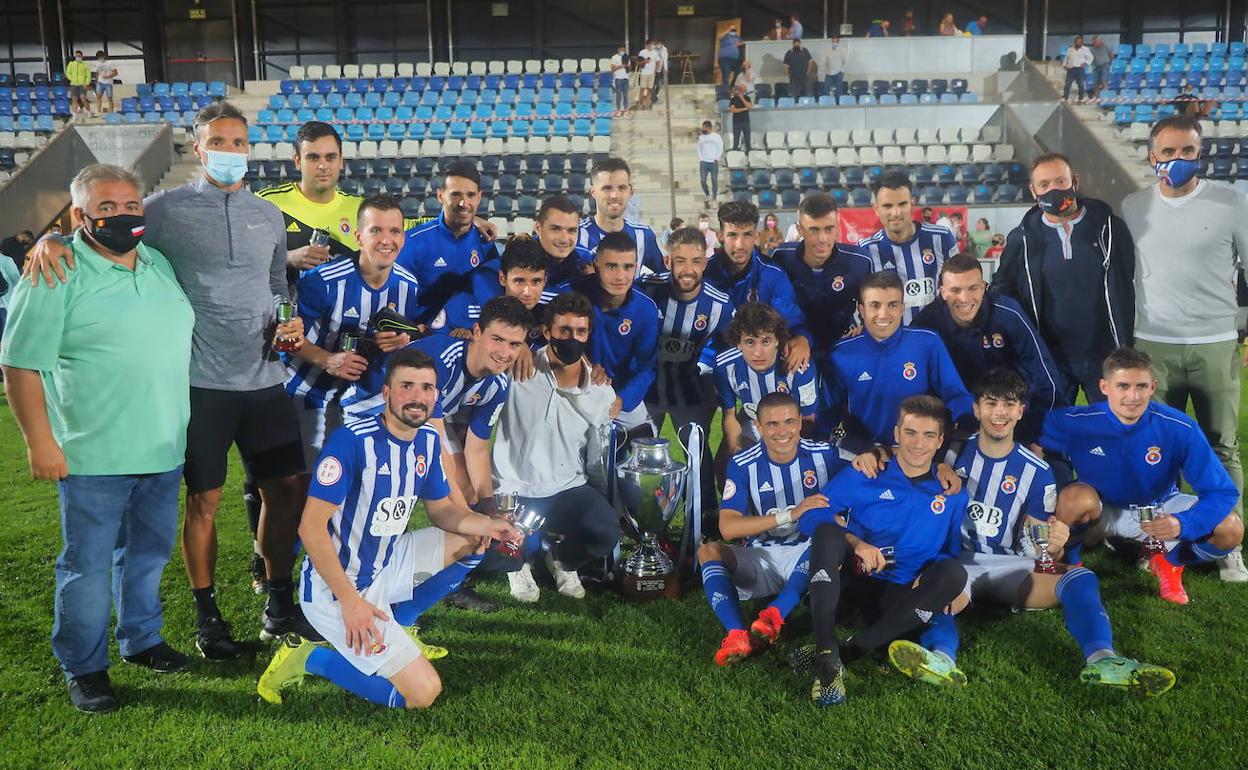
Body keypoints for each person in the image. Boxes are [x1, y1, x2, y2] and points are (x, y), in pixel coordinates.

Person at [23, 101, 312, 659]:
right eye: (219, 142)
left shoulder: (269, 215)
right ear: (198, 149)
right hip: (200, 385)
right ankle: (208, 621)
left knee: (284, 491)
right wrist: (50, 239)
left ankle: (278, 606)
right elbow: (104, 233)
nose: (231, 152)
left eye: (239, 141)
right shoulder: (160, 209)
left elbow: (279, 284)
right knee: (203, 502)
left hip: (264, 379)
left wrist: (287, 318)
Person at [1, 164, 195, 713]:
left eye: (131, 205)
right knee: (85, 567)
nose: (123, 215)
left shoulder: (156, 262)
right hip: (92, 454)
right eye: (106, 208)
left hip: (162, 448)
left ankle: (142, 639)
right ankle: (84, 667)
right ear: (81, 216)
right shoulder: (56, 270)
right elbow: (19, 364)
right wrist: (41, 443)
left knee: (148, 555)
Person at [256, 349, 520, 710]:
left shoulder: (427, 439)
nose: (417, 396)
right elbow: (310, 528)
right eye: (406, 386)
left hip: (386, 562)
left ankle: (402, 623)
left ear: (436, 396)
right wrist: (351, 602)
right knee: (422, 694)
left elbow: (443, 510)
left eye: (426, 388)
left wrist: (491, 524)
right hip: (337, 589)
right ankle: (306, 658)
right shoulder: (351, 442)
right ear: (387, 393)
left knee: (475, 539)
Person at [929, 368, 1176, 695]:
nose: (999, 413)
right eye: (990, 404)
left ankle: (1102, 658)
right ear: (976, 409)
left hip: (1008, 566)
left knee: (1080, 577)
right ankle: (940, 658)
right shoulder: (948, 452)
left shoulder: (1037, 471)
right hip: (952, 562)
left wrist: (1053, 546)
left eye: (1008, 404)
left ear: (1020, 411)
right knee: (926, 575)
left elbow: (1037, 541)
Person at [1120, 115, 1248, 581]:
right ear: (1152, 156)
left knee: (1221, 445)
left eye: (1187, 151)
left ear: (1201, 153)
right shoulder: (1133, 207)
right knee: (1155, 449)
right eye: (1168, 152)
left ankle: (1226, 538)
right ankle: (1156, 538)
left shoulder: (1232, 202)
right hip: (1153, 344)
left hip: (1215, 342)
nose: (1177, 160)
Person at [795, 395, 970, 705]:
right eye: (911, 433)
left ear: (941, 440)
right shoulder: (865, 472)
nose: (918, 443)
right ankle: (826, 646)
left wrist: (935, 581)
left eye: (929, 435)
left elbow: (949, 549)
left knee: (955, 574)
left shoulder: (952, 492)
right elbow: (811, 515)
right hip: (849, 588)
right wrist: (855, 542)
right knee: (827, 532)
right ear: (896, 433)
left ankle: (842, 655)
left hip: (899, 599)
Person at [1040, 347, 1243, 605]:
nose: (1133, 396)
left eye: (1141, 386)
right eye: (1123, 386)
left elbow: (1222, 492)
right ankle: (1071, 564)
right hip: (1103, 509)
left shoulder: (1178, 427)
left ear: (1152, 386)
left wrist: (1183, 523)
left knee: (1231, 528)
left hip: (1159, 509)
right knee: (1074, 498)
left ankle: (1170, 562)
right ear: (1104, 386)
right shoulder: (1076, 421)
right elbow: (1032, 438)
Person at [285, 194, 421, 495]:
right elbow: (285, 339)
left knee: (352, 488)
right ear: (359, 236)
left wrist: (400, 341)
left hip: (361, 401)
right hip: (309, 394)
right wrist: (326, 359)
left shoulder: (408, 286)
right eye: (376, 231)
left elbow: (400, 338)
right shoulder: (322, 280)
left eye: (395, 231)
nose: (387, 240)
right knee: (304, 491)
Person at [701, 393, 849, 666]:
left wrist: (876, 454)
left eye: (789, 422)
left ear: (800, 424)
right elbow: (727, 527)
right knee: (709, 551)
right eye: (772, 424)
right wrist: (789, 515)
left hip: (809, 556)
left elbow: (868, 475)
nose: (782, 432)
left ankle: (776, 614)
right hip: (762, 557)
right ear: (758, 426)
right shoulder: (743, 463)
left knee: (827, 538)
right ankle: (736, 634)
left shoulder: (825, 455)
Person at [492, 292, 620, 603]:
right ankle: (518, 563)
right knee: (488, 553)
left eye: (580, 332)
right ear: (547, 332)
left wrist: (599, 497)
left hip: (566, 489)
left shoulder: (600, 390)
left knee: (605, 530)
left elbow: (597, 453)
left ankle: (564, 560)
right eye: (564, 331)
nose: (572, 338)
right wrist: (520, 345)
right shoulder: (518, 370)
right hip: (514, 490)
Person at [991, 152, 1135, 405]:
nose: (1053, 190)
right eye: (1044, 185)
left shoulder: (1109, 228)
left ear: (1074, 181)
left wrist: (1125, 343)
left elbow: (1128, 282)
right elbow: (1004, 290)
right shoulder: (1021, 238)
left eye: (1060, 181)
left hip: (1104, 353)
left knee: (1112, 428)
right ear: (1033, 191)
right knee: (1051, 435)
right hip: (1049, 355)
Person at [912, 255, 1062, 444]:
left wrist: (1039, 436)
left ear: (984, 287)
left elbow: (1045, 379)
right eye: (955, 290)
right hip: (953, 423)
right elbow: (916, 388)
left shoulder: (1008, 315)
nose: (964, 298)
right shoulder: (925, 324)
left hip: (1010, 417)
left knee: (1055, 470)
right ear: (942, 292)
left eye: (973, 288)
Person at [824, 272, 973, 453]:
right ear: (862, 310)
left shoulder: (927, 343)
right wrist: (860, 448)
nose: (883, 314)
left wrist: (939, 433)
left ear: (902, 308)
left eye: (892, 305)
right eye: (875, 305)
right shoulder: (840, 353)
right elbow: (826, 415)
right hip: (864, 454)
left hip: (918, 451)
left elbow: (958, 397)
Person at [642, 226, 733, 440]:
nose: (688, 269)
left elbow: (731, 349)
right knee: (633, 457)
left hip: (690, 392)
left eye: (695, 261)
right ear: (668, 262)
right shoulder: (646, 289)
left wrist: (716, 388)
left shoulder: (719, 304)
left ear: (704, 264)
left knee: (697, 458)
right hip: (645, 391)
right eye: (680, 260)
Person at [706, 201, 811, 371]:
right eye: (732, 235)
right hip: (712, 359)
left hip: (759, 357)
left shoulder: (772, 274)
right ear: (720, 236)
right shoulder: (706, 273)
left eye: (747, 234)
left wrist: (802, 338)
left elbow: (791, 318)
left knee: (800, 363)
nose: (740, 244)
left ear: (756, 236)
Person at [769, 193, 876, 360]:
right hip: (794, 347)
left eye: (829, 229)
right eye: (814, 230)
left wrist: (864, 327)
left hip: (844, 347)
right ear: (800, 230)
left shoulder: (860, 261)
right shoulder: (780, 257)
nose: (822, 239)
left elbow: (871, 306)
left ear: (837, 227)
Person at [574, 232, 661, 433]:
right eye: (611, 266)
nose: (621, 276)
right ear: (596, 266)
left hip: (619, 393)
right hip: (574, 391)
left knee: (647, 439)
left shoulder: (645, 309)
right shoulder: (572, 294)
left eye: (628, 267)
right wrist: (585, 366)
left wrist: (623, 399)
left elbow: (647, 366)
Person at [395, 160, 501, 325]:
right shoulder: (413, 243)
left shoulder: (485, 243)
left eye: (470, 195)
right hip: (424, 338)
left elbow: (491, 299)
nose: (463, 203)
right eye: (455, 194)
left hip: (474, 337)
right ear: (440, 195)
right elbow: (396, 300)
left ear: (479, 197)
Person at [715, 302, 819, 459]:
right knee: (724, 463)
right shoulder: (725, 365)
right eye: (750, 342)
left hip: (789, 430)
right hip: (752, 424)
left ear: (778, 340)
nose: (758, 352)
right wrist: (737, 455)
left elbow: (807, 421)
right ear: (738, 343)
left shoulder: (799, 367)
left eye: (766, 341)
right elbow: (730, 416)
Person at [858, 171, 960, 326]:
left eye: (902, 204)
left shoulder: (941, 238)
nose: (896, 212)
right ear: (876, 209)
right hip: (890, 343)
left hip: (937, 337)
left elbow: (959, 286)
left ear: (912, 203)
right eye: (887, 206)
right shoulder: (866, 250)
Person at [430, 235, 549, 346]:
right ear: (502, 278)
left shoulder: (551, 309)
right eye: (519, 281)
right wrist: (458, 343)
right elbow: (432, 340)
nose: (527, 292)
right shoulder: (465, 307)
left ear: (545, 280)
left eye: (536, 282)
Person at [576, 157, 665, 277]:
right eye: (607, 188)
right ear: (593, 192)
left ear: (630, 191)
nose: (614, 195)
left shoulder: (644, 235)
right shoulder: (576, 233)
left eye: (622, 188)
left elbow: (665, 278)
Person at [533, 195, 596, 292]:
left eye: (571, 230)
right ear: (538, 228)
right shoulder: (516, 259)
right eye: (556, 229)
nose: (564, 239)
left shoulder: (585, 260)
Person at [697, 120, 724, 206]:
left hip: (713, 162)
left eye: (704, 128)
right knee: (703, 180)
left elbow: (721, 147)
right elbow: (698, 148)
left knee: (714, 180)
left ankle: (714, 197)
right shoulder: (701, 137)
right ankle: (707, 193)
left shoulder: (717, 137)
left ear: (709, 128)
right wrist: (701, 158)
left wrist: (717, 158)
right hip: (704, 162)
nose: (703, 129)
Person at [1062, 36, 1094, 102]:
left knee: (1081, 85)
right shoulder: (1070, 49)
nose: (1079, 43)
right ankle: (1065, 97)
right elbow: (1066, 58)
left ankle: (1081, 98)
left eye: (1080, 42)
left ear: (1082, 42)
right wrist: (1064, 65)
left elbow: (1091, 58)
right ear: (1075, 42)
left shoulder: (1085, 49)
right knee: (1067, 84)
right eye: (1077, 41)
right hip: (1071, 69)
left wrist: (1085, 63)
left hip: (1080, 69)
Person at [65, 50, 91, 116]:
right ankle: (74, 114)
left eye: (79, 56)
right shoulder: (71, 64)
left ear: (82, 57)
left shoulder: (85, 65)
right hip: (73, 84)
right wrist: (72, 79)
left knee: (83, 98)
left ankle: (89, 111)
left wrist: (86, 83)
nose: (78, 57)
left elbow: (88, 75)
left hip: (82, 84)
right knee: (74, 99)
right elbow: (68, 73)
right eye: (76, 56)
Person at [729, 84, 752, 153]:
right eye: (742, 89)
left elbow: (749, 107)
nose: (743, 90)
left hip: (746, 122)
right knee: (736, 140)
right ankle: (735, 154)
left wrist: (742, 98)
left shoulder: (747, 98)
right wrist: (744, 109)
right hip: (737, 122)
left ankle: (749, 154)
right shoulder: (733, 99)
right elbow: (733, 110)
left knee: (747, 140)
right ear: (739, 89)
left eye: (744, 89)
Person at [636, 40, 657, 110]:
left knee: (650, 89)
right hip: (644, 73)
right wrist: (645, 61)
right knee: (642, 88)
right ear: (648, 45)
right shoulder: (642, 52)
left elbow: (657, 62)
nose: (653, 46)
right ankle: (640, 103)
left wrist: (655, 70)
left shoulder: (655, 52)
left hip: (651, 74)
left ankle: (647, 104)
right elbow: (638, 63)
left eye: (653, 44)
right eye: (651, 44)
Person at [611, 44, 630, 115]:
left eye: (624, 50)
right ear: (619, 49)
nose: (623, 51)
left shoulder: (626, 57)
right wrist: (619, 66)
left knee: (625, 94)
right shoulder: (614, 57)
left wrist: (627, 66)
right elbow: (612, 69)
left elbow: (629, 67)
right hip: (618, 78)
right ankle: (618, 109)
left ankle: (626, 108)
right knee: (618, 95)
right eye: (622, 50)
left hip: (625, 78)